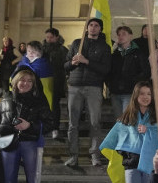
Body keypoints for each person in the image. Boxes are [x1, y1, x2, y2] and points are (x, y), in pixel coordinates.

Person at [0, 68, 56, 183]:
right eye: (23, 80)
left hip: (30, 143)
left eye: (30, 81)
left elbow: (50, 122)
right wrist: (1, 128)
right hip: (9, 144)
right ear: (16, 82)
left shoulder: (39, 100)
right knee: (9, 182)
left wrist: (30, 125)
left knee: (33, 182)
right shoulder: (6, 98)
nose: (25, 83)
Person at [64, 18, 112, 169]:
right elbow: (65, 65)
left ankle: (95, 155)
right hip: (74, 87)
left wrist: (86, 61)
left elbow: (105, 69)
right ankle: (73, 156)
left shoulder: (104, 47)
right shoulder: (77, 43)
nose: (93, 28)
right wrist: (72, 63)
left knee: (95, 123)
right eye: (90, 25)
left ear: (100, 29)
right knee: (73, 124)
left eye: (96, 25)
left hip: (94, 87)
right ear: (87, 28)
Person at [108, 25, 149, 116]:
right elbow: (108, 69)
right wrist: (110, 84)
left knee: (127, 118)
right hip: (115, 91)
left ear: (130, 36)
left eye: (124, 34)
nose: (121, 36)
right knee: (118, 119)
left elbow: (146, 71)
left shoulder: (138, 53)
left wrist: (134, 82)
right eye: (119, 34)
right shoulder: (114, 53)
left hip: (130, 91)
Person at [42, 27, 68, 121]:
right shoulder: (42, 49)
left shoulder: (62, 50)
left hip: (56, 80)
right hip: (43, 79)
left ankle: (54, 125)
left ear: (57, 37)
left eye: (51, 37)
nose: (49, 39)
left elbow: (66, 64)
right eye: (47, 37)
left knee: (54, 104)